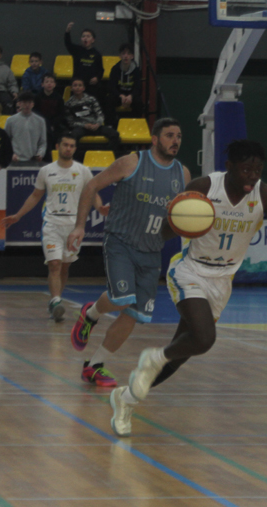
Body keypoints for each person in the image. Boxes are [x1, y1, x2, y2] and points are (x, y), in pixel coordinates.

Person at [108, 140, 267, 437]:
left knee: (179, 356)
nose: (252, 176)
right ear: (230, 166)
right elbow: (165, 230)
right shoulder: (203, 188)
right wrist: (178, 221)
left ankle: (125, 399)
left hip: (223, 280)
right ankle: (153, 358)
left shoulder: (266, 195)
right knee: (204, 338)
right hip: (190, 270)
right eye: (246, 169)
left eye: (258, 170)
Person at [66, 118, 191, 387]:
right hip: (121, 241)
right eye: (169, 135)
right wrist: (79, 227)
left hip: (152, 250)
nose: (176, 141)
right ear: (155, 139)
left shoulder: (183, 174)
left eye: (179, 136)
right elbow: (91, 186)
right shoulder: (131, 163)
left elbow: (178, 218)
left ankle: (94, 365)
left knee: (135, 315)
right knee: (121, 298)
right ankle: (91, 314)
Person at [2, 133, 94, 323]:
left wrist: (100, 208)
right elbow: (35, 196)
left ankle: (55, 301)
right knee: (54, 264)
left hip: (74, 225)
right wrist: (18, 215)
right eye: (65, 145)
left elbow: (92, 192)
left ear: (75, 149)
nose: (68, 148)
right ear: (58, 146)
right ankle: (56, 300)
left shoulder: (83, 171)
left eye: (72, 146)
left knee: (65, 266)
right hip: (52, 224)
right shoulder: (46, 171)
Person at [64, 78, 121, 153]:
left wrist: (97, 124)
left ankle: (107, 154)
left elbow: (100, 114)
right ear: (71, 88)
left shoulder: (91, 99)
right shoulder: (68, 104)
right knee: (72, 136)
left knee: (115, 134)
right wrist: (84, 125)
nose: (77, 87)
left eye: (80, 85)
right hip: (81, 127)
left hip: (95, 126)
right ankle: (79, 156)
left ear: (83, 88)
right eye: (75, 85)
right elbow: (71, 122)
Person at [64, 23, 105, 102]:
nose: (85, 38)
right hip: (78, 84)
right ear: (81, 39)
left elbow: (101, 70)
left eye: (88, 36)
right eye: (83, 36)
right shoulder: (77, 50)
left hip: (90, 85)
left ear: (93, 40)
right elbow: (68, 43)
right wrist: (67, 32)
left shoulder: (97, 54)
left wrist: (97, 78)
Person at [5, 91, 47, 166]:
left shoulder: (40, 121)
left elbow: (43, 142)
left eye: (29, 102)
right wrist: (11, 154)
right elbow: (6, 141)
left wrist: (40, 154)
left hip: (33, 160)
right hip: (15, 160)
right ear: (19, 103)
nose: (27, 105)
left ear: (33, 104)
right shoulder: (10, 120)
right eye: (24, 102)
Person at [108, 44, 143, 120]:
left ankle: (135, 122)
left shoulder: (136, 70)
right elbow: (112, 87)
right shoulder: (115, 69)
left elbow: (138, 87)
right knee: (109, 100)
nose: (126, 56)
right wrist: (120, 95)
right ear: (120, 56)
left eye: (128, 54)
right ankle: (111, 123)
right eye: (123, 54)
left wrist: (131, 96)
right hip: (119, 95)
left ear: (132, 56)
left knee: (139, 102)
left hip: (131, 96)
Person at [33, 73, 66, 146]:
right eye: (47, 82)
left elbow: (61, 114)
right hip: (40, 124)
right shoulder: (37, 97)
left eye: (51, 82)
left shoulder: (59, 98)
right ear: (42, 84)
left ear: (55, 84)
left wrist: (53, 125)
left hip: (55, 125)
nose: (49, 84)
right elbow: (35, 112)